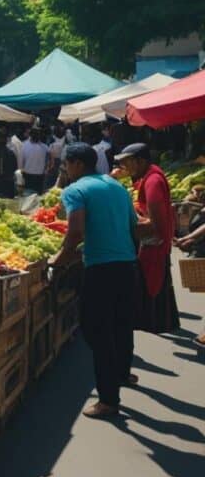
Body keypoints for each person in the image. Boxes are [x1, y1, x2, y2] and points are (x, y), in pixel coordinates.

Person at [51, 143, 139, 419]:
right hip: (127, 264)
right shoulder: (117, 187)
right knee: (122, 323)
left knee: (96, 331)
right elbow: (133, 226)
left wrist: (61, 258)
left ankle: (108, 400)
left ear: (76, 164)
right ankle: (123, 374)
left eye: (66, 164)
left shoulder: (75, 190)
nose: (65, 169)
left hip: (100, 268)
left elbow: (75, 231)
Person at [115, 143, 179, 334]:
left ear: (140, 161)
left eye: (128, 162)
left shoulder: (153, 181)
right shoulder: (150, 176)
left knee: (154, 282)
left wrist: (131, 227)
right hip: (158, 242)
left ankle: (156, 323)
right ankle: (163, 321)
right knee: (159, 284)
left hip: (154, 243)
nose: (125, 166)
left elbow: (156, 221)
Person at [20, 128, 50, 194]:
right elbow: (21, 162)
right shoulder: (24, 145)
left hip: (40, 176)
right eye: (34, 133)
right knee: (27, 195)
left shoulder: (45, 147)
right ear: (30, 134)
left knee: (38, 196)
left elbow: (48, 160)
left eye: (38, 134)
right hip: (28, 175)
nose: (36, 135)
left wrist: (46, 169)